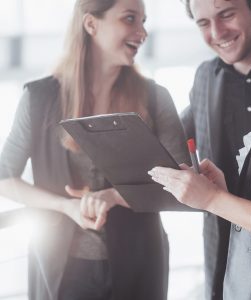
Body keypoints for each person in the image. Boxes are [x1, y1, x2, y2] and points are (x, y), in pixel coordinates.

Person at [0, 0, 190, 299]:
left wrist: (113, 196)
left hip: (140, 262)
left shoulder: (156, 98)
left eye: (144, 21)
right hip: (61, 269)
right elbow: (4, 179)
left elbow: (185, 184)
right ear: (91, 24)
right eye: (130, 19)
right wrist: (67, 207)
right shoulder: (38, 98)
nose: (142, 32)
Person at [150, 0, 251, 298]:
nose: (217, 32)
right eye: (203, 23)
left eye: (226, 15)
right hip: (229, 258)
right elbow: (171, 143)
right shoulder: (206, 77)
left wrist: (214, 198)